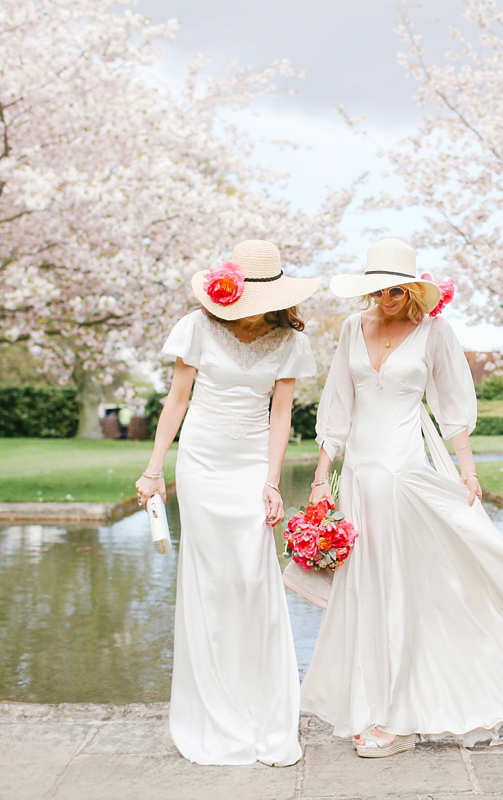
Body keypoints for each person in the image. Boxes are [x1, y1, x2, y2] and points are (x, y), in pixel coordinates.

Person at [300, 238, 503, 759]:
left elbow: (453, 406)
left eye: (395, 287)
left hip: (406, 474)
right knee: (367, 593)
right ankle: (371, 707)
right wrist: (322, 478)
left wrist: (468, 471)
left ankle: (400, 717)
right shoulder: (350, 329)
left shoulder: (434, 332)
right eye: (376, 287)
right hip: (360, 477)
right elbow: (338, 407)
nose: (384, 296)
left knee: (404, 590)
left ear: (413, 288)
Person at [135, 239, 319, 767]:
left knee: (253, 577)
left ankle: (261, 711)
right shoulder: (196, 328)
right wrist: (154, 469)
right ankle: (212, 712)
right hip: (201, 464)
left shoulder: (288, 342)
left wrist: (272, 480)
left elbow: (281, 414)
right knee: (209, 581)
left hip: (250, 465)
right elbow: (177, 399)